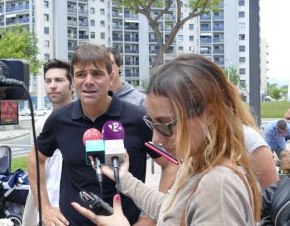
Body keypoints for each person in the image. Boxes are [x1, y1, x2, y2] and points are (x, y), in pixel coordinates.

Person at [72, 53, 260, 225]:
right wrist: (123, 179)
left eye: (166, 125)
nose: (156, 139)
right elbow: (170, 209)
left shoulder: (218, 187)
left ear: (210, 114)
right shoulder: (197, 164)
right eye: (152, 124)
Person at [27, 44, 162, 226]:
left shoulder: (138, 119)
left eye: (97, 74)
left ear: (111, 77)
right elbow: (36, 159)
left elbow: (171, 165)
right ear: (73, 81)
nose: (88, 81)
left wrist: (150, 217)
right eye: (81, 74)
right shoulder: (59, 120)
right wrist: (45, 207)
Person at [22, 59, 74, 225]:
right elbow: (36, 166)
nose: (52, 85)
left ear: (72, 85)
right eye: (48, 81)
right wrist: (44, 207)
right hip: (46, 210)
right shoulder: (40, 125)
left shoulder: (83, 123)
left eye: (59, 80)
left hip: (74, 208)